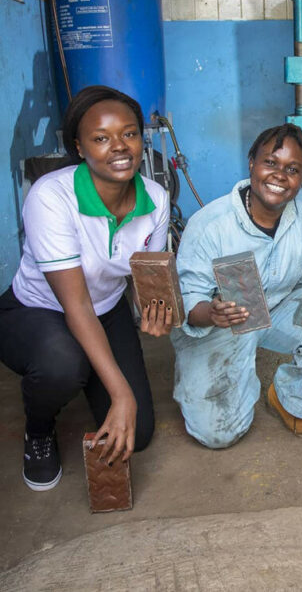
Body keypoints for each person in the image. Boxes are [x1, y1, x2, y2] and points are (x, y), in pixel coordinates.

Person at [0, 86, 173, 491]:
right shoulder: (51, 198)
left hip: (105, 310)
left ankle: (87, 380)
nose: (119, 147)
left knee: (139, 433)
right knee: (64, 362)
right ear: (79, 147)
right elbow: (75, 304)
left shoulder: (156, 199)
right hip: (37, 312)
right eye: (101, 138)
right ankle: (39, 430)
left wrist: (158, 310)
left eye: (129, 134)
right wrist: (121, 394)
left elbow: (147, 276)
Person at [171, 124, 302, 448]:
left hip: (283, 303)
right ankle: (232, 383)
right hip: (226, 319)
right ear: (251, 163)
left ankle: (289, 397)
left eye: (292, 169)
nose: (279, 176)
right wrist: (211, 313)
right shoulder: (209, 225)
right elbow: (189, 302)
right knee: (217, 435)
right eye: (270, 163)